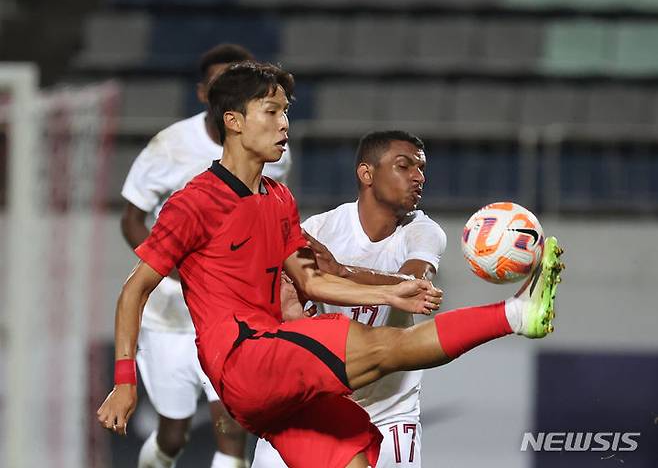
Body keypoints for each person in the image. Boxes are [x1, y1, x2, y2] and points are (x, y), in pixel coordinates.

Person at [97, 62, 564, 468]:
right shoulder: (194, 203)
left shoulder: (278, 199)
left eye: (286, 112)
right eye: (272, 112)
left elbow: (312, 278)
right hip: (245, 357)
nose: (285, 125)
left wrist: (386, 292)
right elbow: (134, 289)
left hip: (269, 376)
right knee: (388, 348)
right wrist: (124, 382)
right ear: (234, 121)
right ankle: (514, 315)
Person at [120, 45, 290, 468]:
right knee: (173, 437)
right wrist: (185, 271)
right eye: (220, 83)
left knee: (231, 436)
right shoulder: (171, 147)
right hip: (170, 319)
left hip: (231, 325)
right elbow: (132, 219)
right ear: (206, 95)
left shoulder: (273, 148)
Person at [252, 130, 446, 468]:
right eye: (405, 166)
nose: (419, 177)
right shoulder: (321, 228)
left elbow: (414, 284)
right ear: (367, 173)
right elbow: (285, 315)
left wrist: (342, 272)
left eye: (421, 168)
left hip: (387, 416)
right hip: (314, 407)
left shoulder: (424, 231)